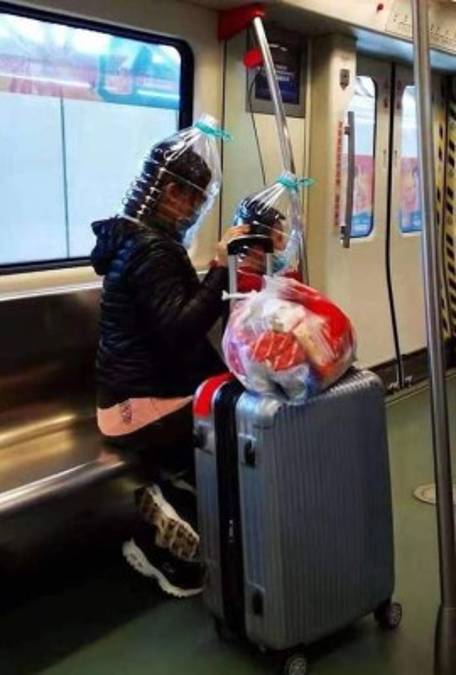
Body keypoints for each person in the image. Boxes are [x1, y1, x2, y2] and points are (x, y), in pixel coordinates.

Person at [91, 136, 246, 598]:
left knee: (228, 395)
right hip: (136, 407)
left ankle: (184, 506)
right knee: (235, 418)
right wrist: (221, 267)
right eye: (192, 197)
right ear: (170, 191)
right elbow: (181, 330)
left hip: (132, 392)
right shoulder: (153, 251)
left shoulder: (137, 240)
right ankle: (160, 522)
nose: (195, 209)